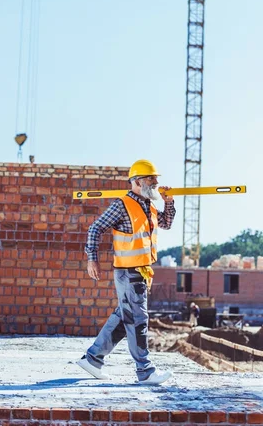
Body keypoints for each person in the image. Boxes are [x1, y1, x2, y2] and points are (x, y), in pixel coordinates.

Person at [76, 159, 176, 385]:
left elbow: (166, 223)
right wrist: (92, 259)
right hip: (128, 272)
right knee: (138, 319)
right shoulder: (122, 205)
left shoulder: (148, 205)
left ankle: (93, 359)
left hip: (140, 272)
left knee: (125, 317)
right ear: (138, 182)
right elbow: (95, 228)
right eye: (153, 178)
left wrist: (168, 203)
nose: (157, 182)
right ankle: (145, 371)